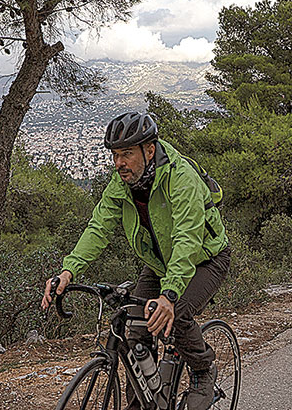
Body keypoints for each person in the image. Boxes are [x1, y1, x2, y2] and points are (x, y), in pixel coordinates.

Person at [41, 111, 230, 410]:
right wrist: (69, 270)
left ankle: (204, 369)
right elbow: (99, 226)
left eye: (127, 154)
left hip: (205, 258)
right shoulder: (122, 183)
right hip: (159, 264)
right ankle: (140, 404)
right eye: (115, 155)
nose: (119, 163)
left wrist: (168, 296)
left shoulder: (181, 179)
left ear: (149, 150)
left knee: (176, 313)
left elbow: (187, 240)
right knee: (137, 332)